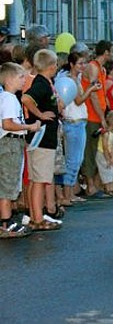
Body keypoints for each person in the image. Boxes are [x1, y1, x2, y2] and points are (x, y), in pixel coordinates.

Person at [23, 49, 63, 229]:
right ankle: (38, 218)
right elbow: (26, 98)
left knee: (34, 179)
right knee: (40, 180)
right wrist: (40, 115)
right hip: (43, 138)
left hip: (38, 137)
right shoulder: (42, 84)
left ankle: (34, 214)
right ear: (51, 66)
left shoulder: (46, 82)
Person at [0, 63, 41, 238]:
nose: (24, 80)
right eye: (21, 77)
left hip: (11, 143)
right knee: (8, 184)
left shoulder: (7, 97)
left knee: (9, 183)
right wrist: (29, 127)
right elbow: (7, 124)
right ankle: (5, 223)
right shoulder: (9, 98)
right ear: (9, 79)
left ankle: (6, 220)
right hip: (9, 144)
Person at [57, 51, 99, 205]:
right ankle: (67, 193)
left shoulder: (77, 79)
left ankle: (70, 192)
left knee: (77, 159)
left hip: (79, 120)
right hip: (73, 121)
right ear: (72, 64)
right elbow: (79, 100)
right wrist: (91, 90)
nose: (83, 66)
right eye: (80, 63)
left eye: (84, 63)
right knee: (72, 160)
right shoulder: (68, 80)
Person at [81, 40, 112, 196]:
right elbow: (93, 94)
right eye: (110, 51)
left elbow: (101, 93)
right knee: (90, 150)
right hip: (91, 115)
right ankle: (90, 184)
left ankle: (94, 183)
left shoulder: (101, 69)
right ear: (106, 52)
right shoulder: (93, 67)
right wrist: (101, 117)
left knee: (95, 150)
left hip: (98, 113)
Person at [95, 110, 113, 197]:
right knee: (106, 171)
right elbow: (105, 147)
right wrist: (108, 158)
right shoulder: (106, 133)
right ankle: (108, 189)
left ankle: (111, 188)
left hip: (108, 154)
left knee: (111, 171)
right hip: (102, 154)